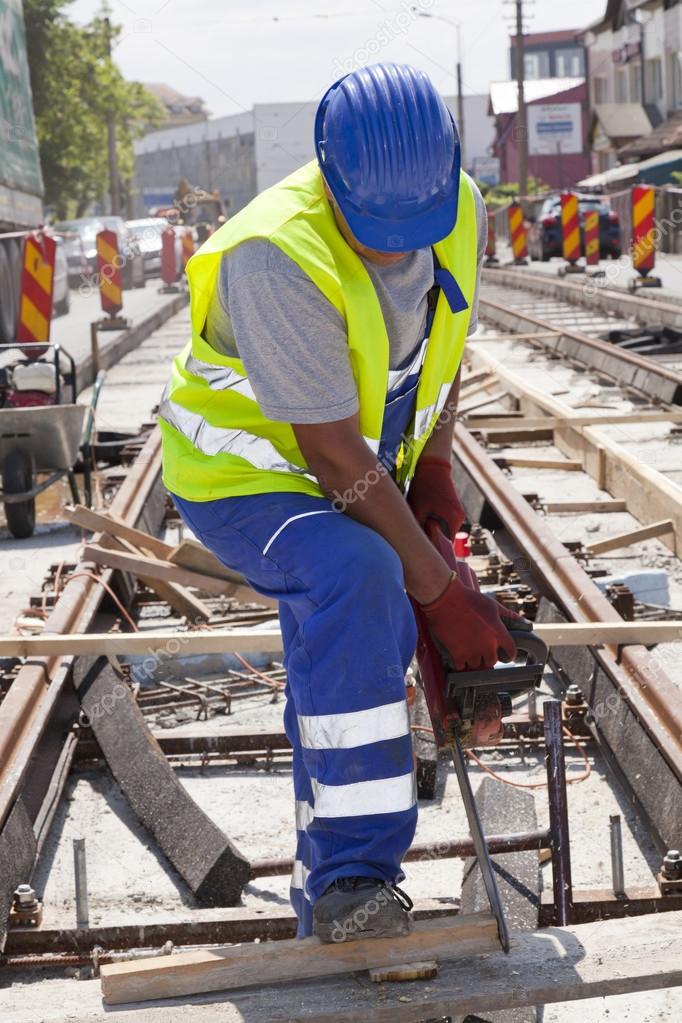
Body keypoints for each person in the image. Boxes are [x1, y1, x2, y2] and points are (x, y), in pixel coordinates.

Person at [159, 62, 517, 943]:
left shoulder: (457, 206)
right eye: (375, 232)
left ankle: (383, 741)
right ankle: (347, 877)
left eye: (414, 229)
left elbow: (444, 347)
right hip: (244, 477)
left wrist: (435, 469)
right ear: (329, 176)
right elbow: (329, 455)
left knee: (392, 574)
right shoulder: (274, 253)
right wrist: (435, 589)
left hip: (355, 461)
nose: (398, 248)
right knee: (360, 576)